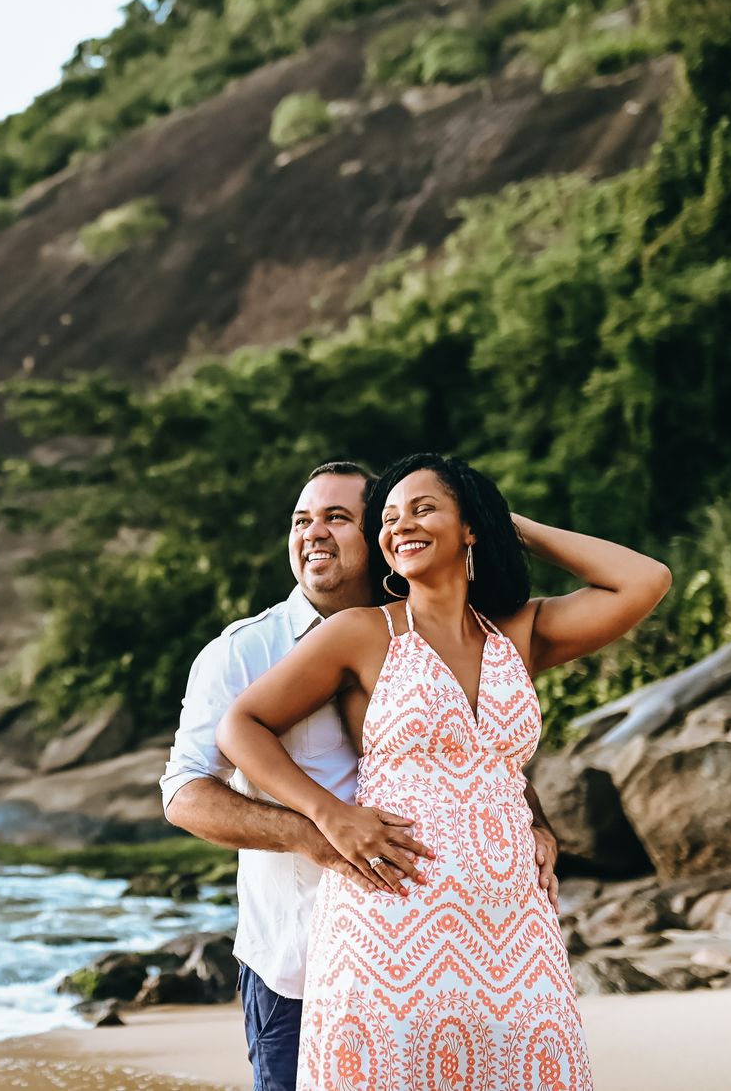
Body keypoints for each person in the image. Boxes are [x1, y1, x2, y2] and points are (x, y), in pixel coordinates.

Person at [217, 453, 671, 1091]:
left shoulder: (517, 632)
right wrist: (331, 814)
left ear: (471, 528)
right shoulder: (361, 633)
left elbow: (644, 579)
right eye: (390, 516)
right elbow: (241, 727)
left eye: (423, 509)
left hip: (513, 926)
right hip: (390, 925)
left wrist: (514, 525)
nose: (401, 525)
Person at [161, 461, 561, 1091]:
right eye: (301, 520)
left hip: (447, 952)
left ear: (377, 532)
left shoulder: (421, 630)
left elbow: (471, 756)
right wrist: (318, 830)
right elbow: (184, 796)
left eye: (336, 518)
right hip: (298, 961)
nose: (312, 533)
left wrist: (535, 824)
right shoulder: (242, 651)